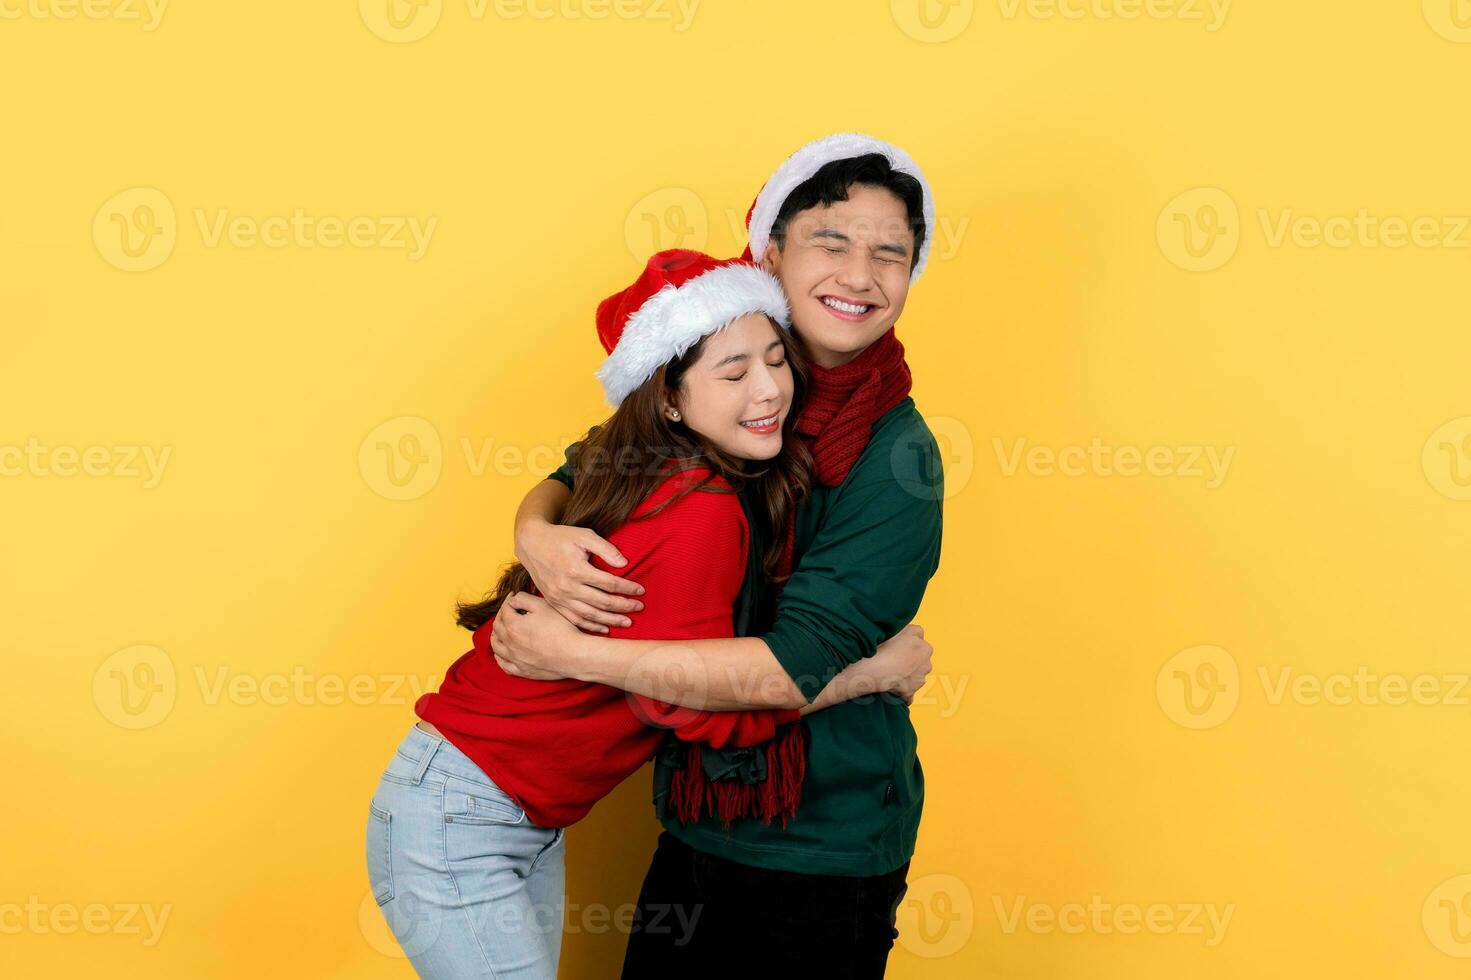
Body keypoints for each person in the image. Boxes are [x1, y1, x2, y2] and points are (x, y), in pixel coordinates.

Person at [365, 249, 930, 980]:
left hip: (482, 808)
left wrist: (532, 529)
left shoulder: (642, 460)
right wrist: (870, 674)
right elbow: (701, 707)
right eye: (732, 374)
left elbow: (565, 476)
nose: (769, 392)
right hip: (460, 816)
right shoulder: (704, 509)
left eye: (775, 360)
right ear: (667, 398)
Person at [491, 133, 944, 978]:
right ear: (771, 251)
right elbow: (578, 472)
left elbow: (786, 670)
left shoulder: (896, 458)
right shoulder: (717, 371)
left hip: (821, 840)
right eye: (831, 240)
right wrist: (536, 535)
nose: (859, 274)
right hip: (693, 815)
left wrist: (574, 653)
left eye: (892, 253)